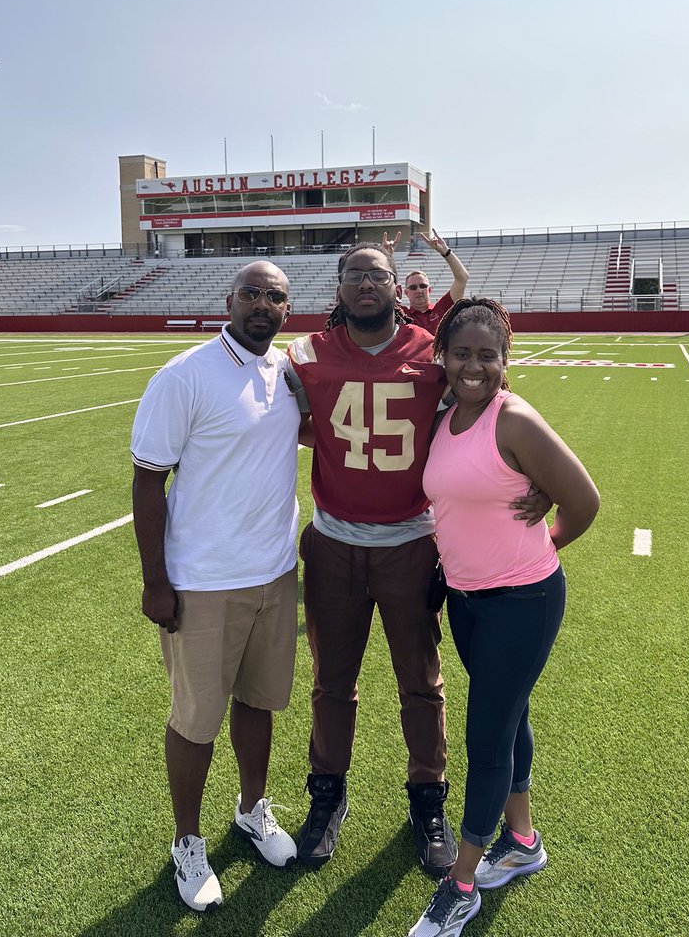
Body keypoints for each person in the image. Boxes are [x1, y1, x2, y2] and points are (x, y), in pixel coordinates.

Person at [285, 246, 549, 878]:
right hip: (334, 542)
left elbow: (490, 403)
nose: (366, 284)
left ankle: (428, 801)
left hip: (409, 544)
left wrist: (534, 478)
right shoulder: (306, 355)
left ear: (395, 288)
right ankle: (327, 796)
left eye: (378, 275)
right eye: (355, 275)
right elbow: (279, 419)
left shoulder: (431, 354)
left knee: (421, 683)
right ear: (339, 288)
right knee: (331, 682)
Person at [408, 297, 600, 937]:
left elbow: (584, 501)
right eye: (461, 353)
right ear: (443, 356)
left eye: (487, 356)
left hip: (523, 603)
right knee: (509, 718)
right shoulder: (445, 417)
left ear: (504, 359)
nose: (474, 367)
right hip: (466, 601)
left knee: (487, 740)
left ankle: (460, 886)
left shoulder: (513, 419)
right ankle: (521, 841)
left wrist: (539, 547)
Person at [131, 262, 301, 913]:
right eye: (251, 293)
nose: (262, 304)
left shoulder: (287, 372)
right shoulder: (185, 375)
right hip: (203, 581)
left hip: (274, 573)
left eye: (274, 296)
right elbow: (148, 481)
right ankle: (187, 842)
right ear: (229, 300)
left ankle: (252, 809)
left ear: (287, 309)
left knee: (259, 702)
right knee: (196, 719)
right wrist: (156, 581)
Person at [383, 228, 470, 334]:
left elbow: (463, 278)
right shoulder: (400, 313)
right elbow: (379, 291)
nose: (419, 290)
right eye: (413, 287)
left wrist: (446, 251)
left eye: (423, 286)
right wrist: (385, 257)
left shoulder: (443, 308)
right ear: (406, 292)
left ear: (429, 290)